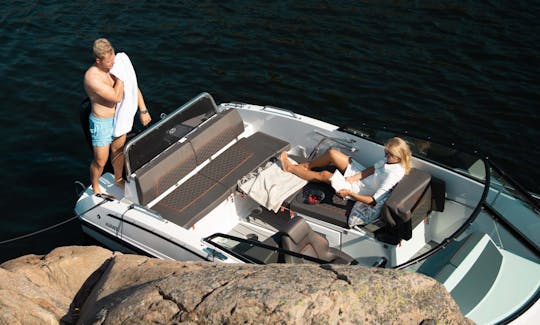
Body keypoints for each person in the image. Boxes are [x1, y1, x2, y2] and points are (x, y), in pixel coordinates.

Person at [281, 137, 412, 226]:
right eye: (386, 152)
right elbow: (372, 169)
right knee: (332, 153)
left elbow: (372, 201)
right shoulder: (390, 160)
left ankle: (290, 168)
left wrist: (350, 193)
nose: (385, 156)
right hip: (360, 178)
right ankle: (307, 166)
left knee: (326, 175)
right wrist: (354, 177)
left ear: (398, 156)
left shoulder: (393, 175)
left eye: (389, 154)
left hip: (361, 191)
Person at [84, 38, 151, 195]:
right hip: (102, 121)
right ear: (98, 60)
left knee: (118, 151)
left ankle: (118, 178)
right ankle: (95, 186)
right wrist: (121, 77)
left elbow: (132, 86)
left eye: (113, 59)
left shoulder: (115, 66)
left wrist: (143, 109)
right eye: (109, 62)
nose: (113, 64)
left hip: (118, 118)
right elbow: (116, 97)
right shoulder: (92, 78)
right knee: (100, 160)